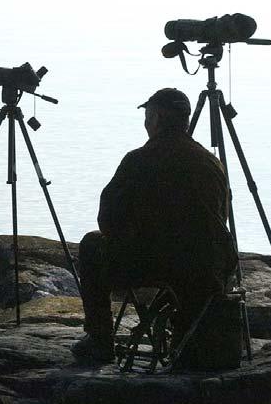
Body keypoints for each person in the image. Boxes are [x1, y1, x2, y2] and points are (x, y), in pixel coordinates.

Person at [72, 88, 237, 362]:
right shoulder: (212, 162)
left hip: (159, 263)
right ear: (185, 122)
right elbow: (222, 216)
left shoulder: (138, 160)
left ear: (156, 119)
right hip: (208, 267)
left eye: (148, 116)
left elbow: (107, 220)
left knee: (92, 244)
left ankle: (100, 339)